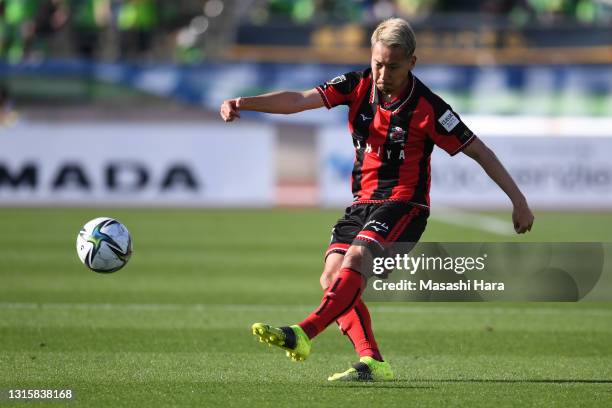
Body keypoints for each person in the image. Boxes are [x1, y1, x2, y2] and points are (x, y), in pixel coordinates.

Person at [219, 17, 534, 382]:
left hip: (405, 206)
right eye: (378, 63)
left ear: (412, 63)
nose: (383, 73)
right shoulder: (356, 84)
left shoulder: (429, 107)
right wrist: (244, 102)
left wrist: (518, 200)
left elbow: (478, 150)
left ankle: (303, 331)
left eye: (393, 66)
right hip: (362, 203)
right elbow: (298, 99)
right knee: (331, 277)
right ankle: (372, 361)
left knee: (356, 257)